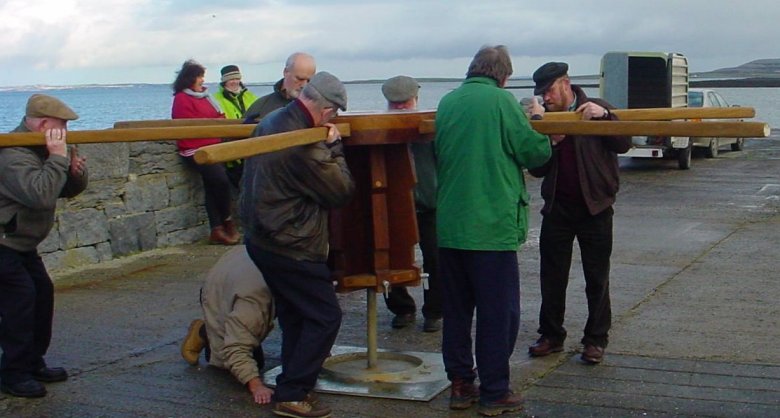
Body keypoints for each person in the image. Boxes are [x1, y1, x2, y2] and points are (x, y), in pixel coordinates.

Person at [435, 45, 552, 416]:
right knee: (497, 314)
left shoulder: (448, 103)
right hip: (490, 226)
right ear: (503, 76)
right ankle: (495, 390)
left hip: (451, 225)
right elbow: (535, 154)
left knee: (455, 312)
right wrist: (544, 128)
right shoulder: (502, 103)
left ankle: (460, 384)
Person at [239, 71, 353, 418]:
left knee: (295, 313)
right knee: (324, 316)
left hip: (261, 236)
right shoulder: (307, 142)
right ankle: (292, 392)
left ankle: (294, 379)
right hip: (292, 240)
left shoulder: (274, 118)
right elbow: (341, 192)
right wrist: (334, 147)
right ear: (327, 111)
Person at [526, 62, 631, 365]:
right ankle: (551, 335)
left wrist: (607, 118)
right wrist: (552, 141)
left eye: (548, 91)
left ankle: (596, 339)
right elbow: (536, 169)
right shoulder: (544, 119)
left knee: (596, 277)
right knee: (552, 277)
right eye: (541, 94)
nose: (545, 98)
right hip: (558, 208)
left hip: (596, 208)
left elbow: (624, 144)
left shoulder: (598, 107)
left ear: (565, 84)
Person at [0, 94, 88, 398]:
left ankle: (32, 362)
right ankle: (13, 372)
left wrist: (75, 173)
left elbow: (61, 190)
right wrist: (58, 158)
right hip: (4, 242)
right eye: (61, 124)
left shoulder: (43, 149)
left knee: (41, 295)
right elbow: (40, 194)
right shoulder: (13, 153)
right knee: (20, 301)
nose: (65, 129)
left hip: (21, 242)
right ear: (44, 124)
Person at [380, 76, 442, 333]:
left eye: (406, 103)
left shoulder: (431, 127)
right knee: (391, 259)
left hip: (430, 203)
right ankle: (402, 308)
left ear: (416, 100)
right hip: (395, 206)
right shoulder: (381, 130)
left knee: (437, 259)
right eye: (397, 104)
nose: (402, 108)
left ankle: (436, 311)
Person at [180, 246, 275, 405]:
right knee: (243, 364)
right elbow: (236, 348)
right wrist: (255, 384)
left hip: (237, 262)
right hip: (218, 292)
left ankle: (215, 330)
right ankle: (204, 332)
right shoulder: (254, 299)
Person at [171, 59, 239, 246]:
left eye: (202, 76)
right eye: (199, 76)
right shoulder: (182, 99)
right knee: (221, 181)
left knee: (212, 186)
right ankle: (227, 221)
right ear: (190, 79)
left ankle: (216, 229)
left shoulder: (206, 97)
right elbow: (187, 127)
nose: (202, 80)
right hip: (194, 150)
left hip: (212, 147)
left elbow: (219, 118)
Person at [213, 64, 258, 188]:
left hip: (254, 151)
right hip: (233, 155)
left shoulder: (251, 97)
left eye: (236, 78)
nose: (234, 82)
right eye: (231, 79)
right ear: (224, 81)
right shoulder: (216, 100)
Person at [243, 52, 316, 123]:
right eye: (299, 79)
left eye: (309, 81)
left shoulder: (319, 111)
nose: (304, 85)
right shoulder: (260, 107)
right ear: (286, 72)